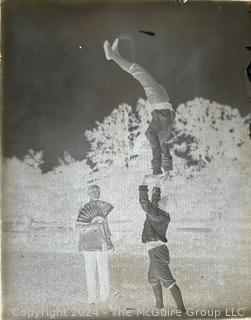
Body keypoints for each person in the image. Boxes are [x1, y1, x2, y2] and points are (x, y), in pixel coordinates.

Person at [104, 38, 175, 176]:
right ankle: (115, 55)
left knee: (138, 71)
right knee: (139, 72)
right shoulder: (162, 138)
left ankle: (112, 56)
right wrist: (168, 170)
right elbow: (164, 152)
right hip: (163, 103)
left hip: (159, 103)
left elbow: (156, 149)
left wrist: (156, 170)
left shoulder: (155, 137)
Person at [138, 178, 186, 312]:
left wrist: (143, 183)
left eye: (158, 202)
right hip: (157, 250)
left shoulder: (158, 214)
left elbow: (144, 203)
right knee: (153, 278)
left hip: (157, 251)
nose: (156, 203)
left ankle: (181, 311)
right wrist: (157, 187)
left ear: (160, 206)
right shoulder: (160, 212)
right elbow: (153, 202)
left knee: (169, 282)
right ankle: (159, 306)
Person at [76, 185, 114, 304]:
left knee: (103, 270)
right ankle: (92, 298)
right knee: (90, 270)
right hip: (88, 243)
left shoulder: (103, 209)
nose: (96, 192)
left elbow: (106, 226)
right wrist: (94, 224)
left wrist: (110, 242)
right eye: (93, 190)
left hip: (101, 242)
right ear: (88, 192)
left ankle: (104, 297)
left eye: (98, 190)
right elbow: (79, 227)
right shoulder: (83, 208)